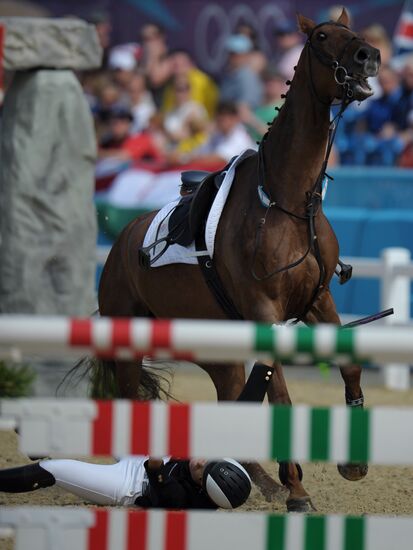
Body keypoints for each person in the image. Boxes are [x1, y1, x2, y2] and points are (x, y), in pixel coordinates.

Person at [0, 456, 251, 510]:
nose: (200, 461)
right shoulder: (211, 466)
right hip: (148, 457)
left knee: (53, 469)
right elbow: (246, 401)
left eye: (201, 471)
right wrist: (266, 363)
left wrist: (155, 465)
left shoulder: (184, 499)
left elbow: (157, 476)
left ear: (201, 488)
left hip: (128, 484)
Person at [162, 48, 219, 119]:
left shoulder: (202, 81)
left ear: (190, 64)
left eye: (181, 64)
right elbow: (167, 112)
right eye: (175, 65)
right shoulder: (170, 86)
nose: (177, 69)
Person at [219, 34, 263, 110]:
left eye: (237, 54)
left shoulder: (247, 77)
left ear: (246, 55)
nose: (233, 57)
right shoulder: (228, 74)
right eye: (231, 53)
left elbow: (245, 109)